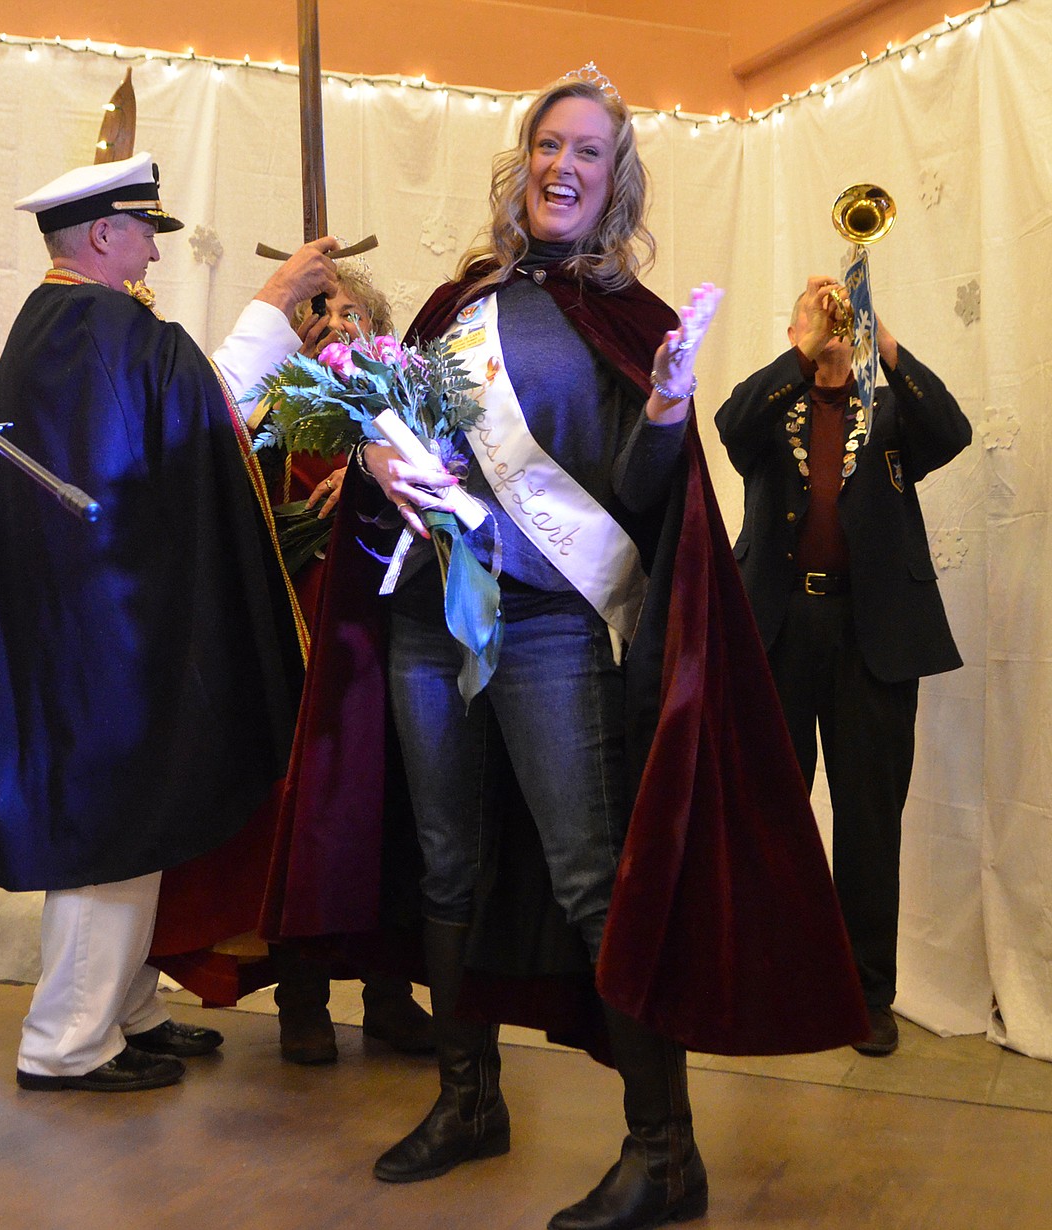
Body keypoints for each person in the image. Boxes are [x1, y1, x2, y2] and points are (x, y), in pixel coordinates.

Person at [265, 69, 868, 1230]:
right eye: (549, 144)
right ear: (523, 163)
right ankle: (467, 1099)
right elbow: (401, 457)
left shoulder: (631, 318)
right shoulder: (453, 306)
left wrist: (658, 419)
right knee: (445, 864)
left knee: (594, 879)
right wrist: (381, 472)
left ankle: (665, 1154)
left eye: (589, 152)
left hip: (551, 631)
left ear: (613, 180)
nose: (564, 165)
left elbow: (651, 503)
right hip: (429, 627)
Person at [0, 151, 340, 1092]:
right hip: (102, 636)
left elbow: (173, 426)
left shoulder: (73, 325)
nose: (150, 253)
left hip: (99, 625)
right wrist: (273, 301)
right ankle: (67, 1043)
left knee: (141, 816)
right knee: (114, 824)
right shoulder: (87, 323)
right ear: (102, 234)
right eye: (142, 233)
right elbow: (194, 419)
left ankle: (124, 1010)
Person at [715, 274, 972, 1057]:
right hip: (780, 628)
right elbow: (727, 426)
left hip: (875, 635)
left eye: (838, 318)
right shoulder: (770, 406)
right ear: (793, 329)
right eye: (813, 314)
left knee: (868, 821)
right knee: (774, 813)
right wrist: (800, 354)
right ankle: (777, 980)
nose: (828, 325)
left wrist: (880, 336)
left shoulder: (889, 407)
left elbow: (952, 429)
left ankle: (868, 993)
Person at [256, 268, 436, 1064]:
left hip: (382, 639)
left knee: (391, 812)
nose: (331, 321)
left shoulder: (399, 410)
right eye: (315, 308)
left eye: (348, 309)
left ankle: (391, 997)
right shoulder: (271, 413)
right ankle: (302, 1000)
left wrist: (368, 464)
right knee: (311, 817)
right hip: (301, 652)